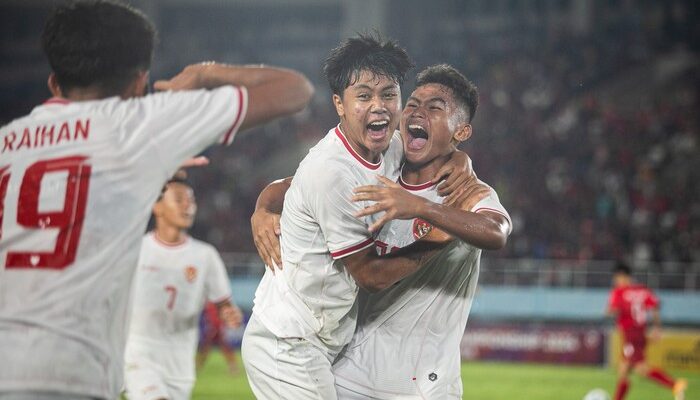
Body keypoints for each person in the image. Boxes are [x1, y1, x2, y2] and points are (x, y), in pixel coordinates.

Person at [0, 1, 313, 399]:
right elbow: (293, 91)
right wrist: (206, 73)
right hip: (70, 373)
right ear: (138, 84)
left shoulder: (7, 142)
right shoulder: (138, 125)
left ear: (53, 84)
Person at [242, 36, 470, 400]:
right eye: (363, 96)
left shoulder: (393, 146)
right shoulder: (331, 171)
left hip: (328, 339)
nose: (378, 107)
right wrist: (437, 239)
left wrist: (459, 158)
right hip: (287, 344)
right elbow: (370, 276)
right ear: (339, 105)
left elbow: (287, 185)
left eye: (388, 94)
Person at [124, 175, 243, 400]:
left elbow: (223, 303)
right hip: (139, 354)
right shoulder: (135, 250)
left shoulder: (205, 256)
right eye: (179, 199)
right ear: (157, 206)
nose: (188, 205)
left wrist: (229, 313)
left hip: (180, 361)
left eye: (191, 200)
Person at [607, 261, 687, 400]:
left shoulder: (620, 292)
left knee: (640, 369)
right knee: (624, 368)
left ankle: (674, 384)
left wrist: (608, 311)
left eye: (617, 278)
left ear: (622, 276)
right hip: (641, 333)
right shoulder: (643, 290)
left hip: (630, 335)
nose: (616, 282)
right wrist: (657, 329)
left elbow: (613, 310)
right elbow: (655, 307)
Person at [196, 301, 239, 374]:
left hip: (217, 328)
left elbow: (223, 314)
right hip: (212, 328)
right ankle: (198, 365)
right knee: (205, 348)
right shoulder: (209, 305)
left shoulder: (218, 302)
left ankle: (233, 367)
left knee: (225, 347)